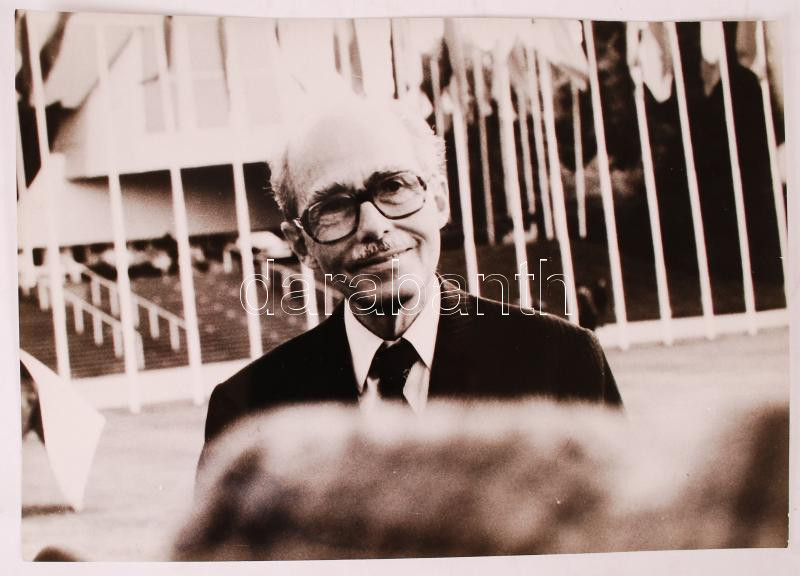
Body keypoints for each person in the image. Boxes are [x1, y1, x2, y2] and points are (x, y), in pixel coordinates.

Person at [200, 95, 622, 466]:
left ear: (438, 200)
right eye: (333, 206)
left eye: (393, 186)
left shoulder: (563, 364)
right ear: (301, 244)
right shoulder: (246, 413)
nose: (373, 225)